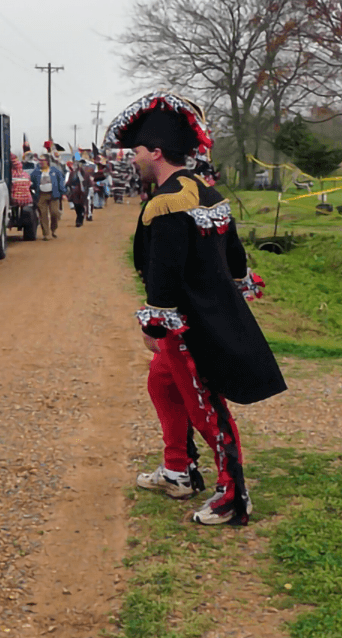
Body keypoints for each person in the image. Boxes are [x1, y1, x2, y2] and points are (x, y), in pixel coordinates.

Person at [102, 91, 286, 526]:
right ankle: (178, 470)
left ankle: (234, 494)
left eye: (139, 152)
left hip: (186, 325)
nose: (134, 159)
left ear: (158, 153)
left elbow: (163, 271)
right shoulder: (208, 193)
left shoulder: (166, 203)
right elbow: (235, 257)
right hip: (208, 312)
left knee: (206, 407)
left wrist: (156, 323)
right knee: (161, 385)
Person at [29, 152, 67, 240]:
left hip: (54, 195)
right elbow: (31, 182)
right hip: (41, 195)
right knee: (43, 215)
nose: (41, 162)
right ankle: (46, 234)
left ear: (47, 161)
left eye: (43, 160)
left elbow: (60, 181)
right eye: (40, 160)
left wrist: (63, 193)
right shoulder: (36, 172)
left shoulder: (55, 170)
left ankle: (53, 229)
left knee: (55, 213)